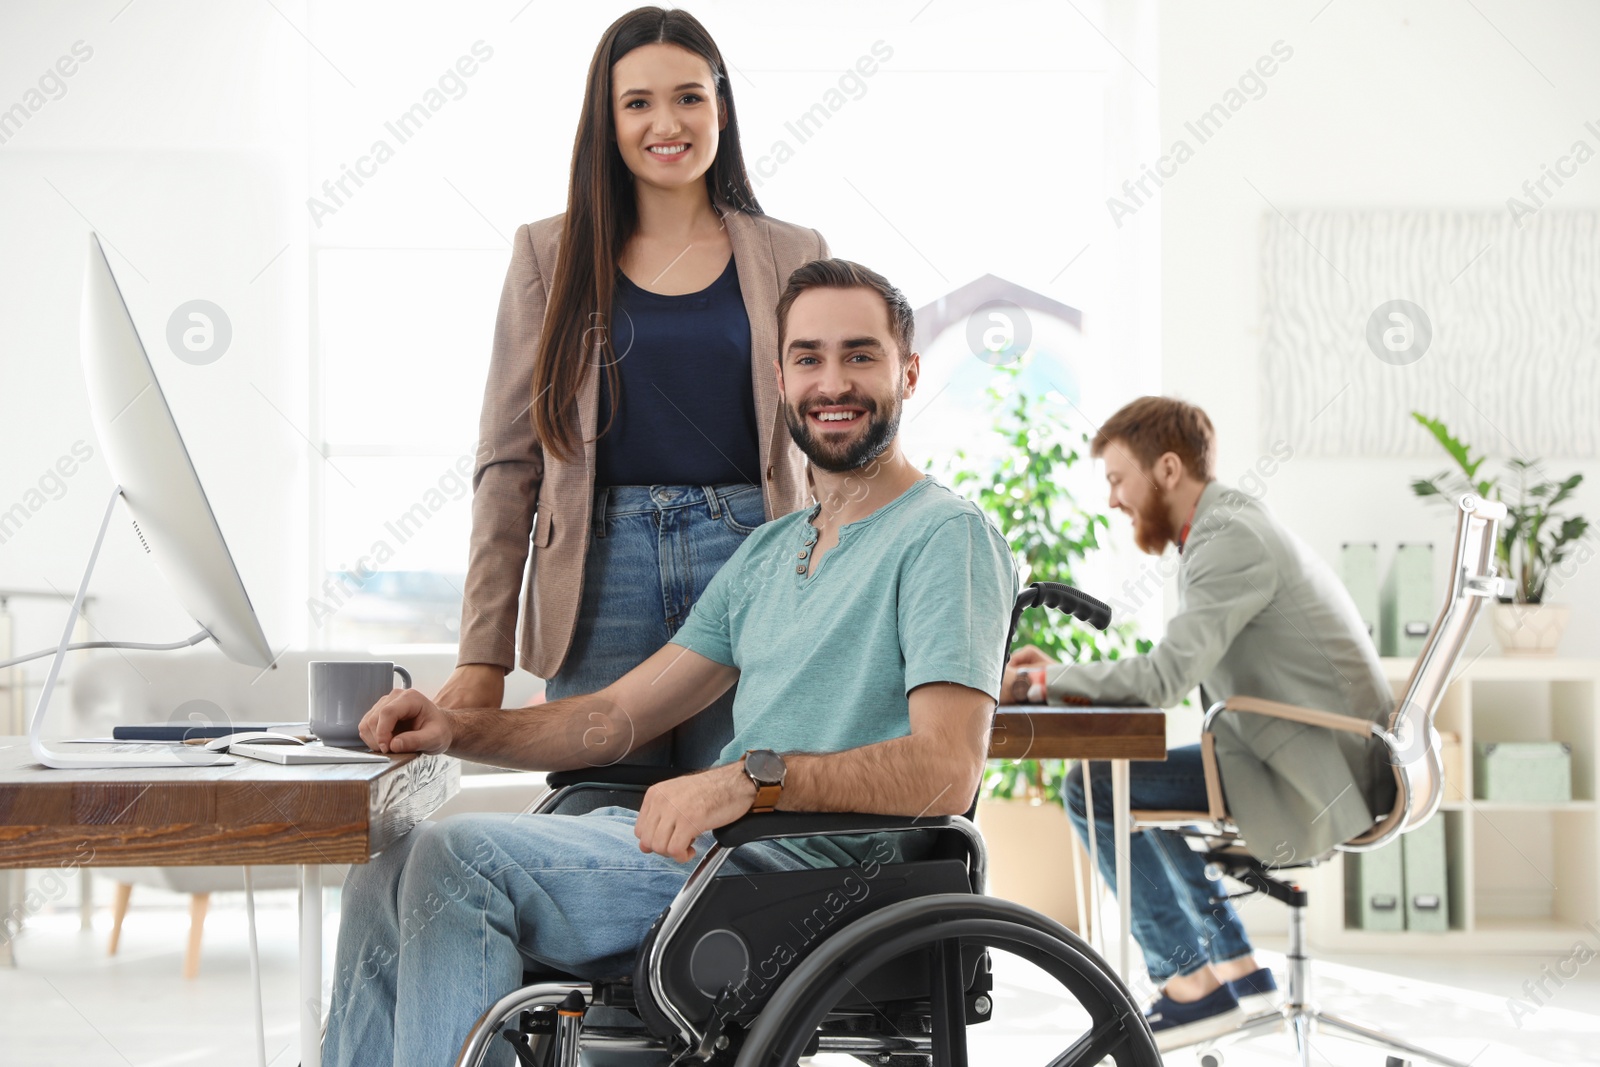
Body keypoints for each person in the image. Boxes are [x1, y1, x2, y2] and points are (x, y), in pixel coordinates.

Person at [321, 259, 1018, 1067]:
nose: (834, 381)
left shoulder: (946, 537)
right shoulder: (769, 551)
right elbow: (613, 717)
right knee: (385, 871)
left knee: (454, 860)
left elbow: (946, 769)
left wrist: (752, 779)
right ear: (781, 378)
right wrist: (453, 727)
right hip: (713, 862)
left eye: (860, 356)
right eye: (808, 358)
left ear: (908, 372)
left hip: (804, 880)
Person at [436, 7, 831, 769]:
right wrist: (481, 655)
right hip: (597, 572)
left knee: (737, 818)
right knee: (596, 813)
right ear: (606, 120)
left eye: (688, 96)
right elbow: (508, 462)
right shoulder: (545, 253)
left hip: (752, 558)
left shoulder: (793, 251)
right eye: (638, 103)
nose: (667, 122)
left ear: (720, 104)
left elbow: (829, 441)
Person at [1004, 396, 1396, 1049]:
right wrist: (1060, 678)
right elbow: (1173, 669)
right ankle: (1238, 969)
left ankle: (1190, 985)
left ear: (1165, 469)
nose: (1112, 499)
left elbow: (1162, 680)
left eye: (1116, 478)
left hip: (1320, 770)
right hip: (1311, 750)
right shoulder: (1225, 526)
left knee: (1096, 784)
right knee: (1134, 784)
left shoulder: (1228, 539)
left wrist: (1038, 682)